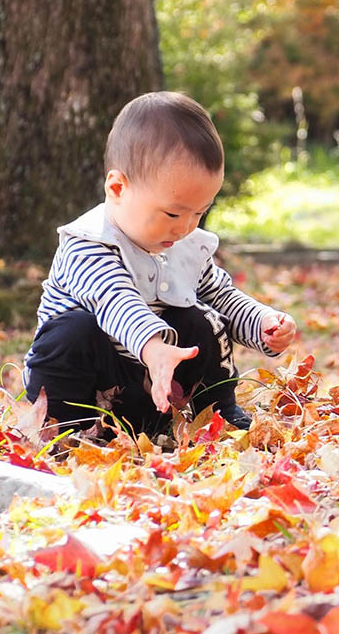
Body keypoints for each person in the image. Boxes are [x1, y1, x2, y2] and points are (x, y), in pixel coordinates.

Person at [23, 91, 297, 438]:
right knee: (73, 332)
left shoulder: (182, 243)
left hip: (154, 390)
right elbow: (115, 300)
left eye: (200, 213)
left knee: (202, 319)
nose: (185, 227)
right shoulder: (88, 243)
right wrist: (152, 348)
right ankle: (61, 429)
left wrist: (262, 323)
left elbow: (221, 295)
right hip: (88, 387)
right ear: (118, 188)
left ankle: (213, 412)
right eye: (173, 212)